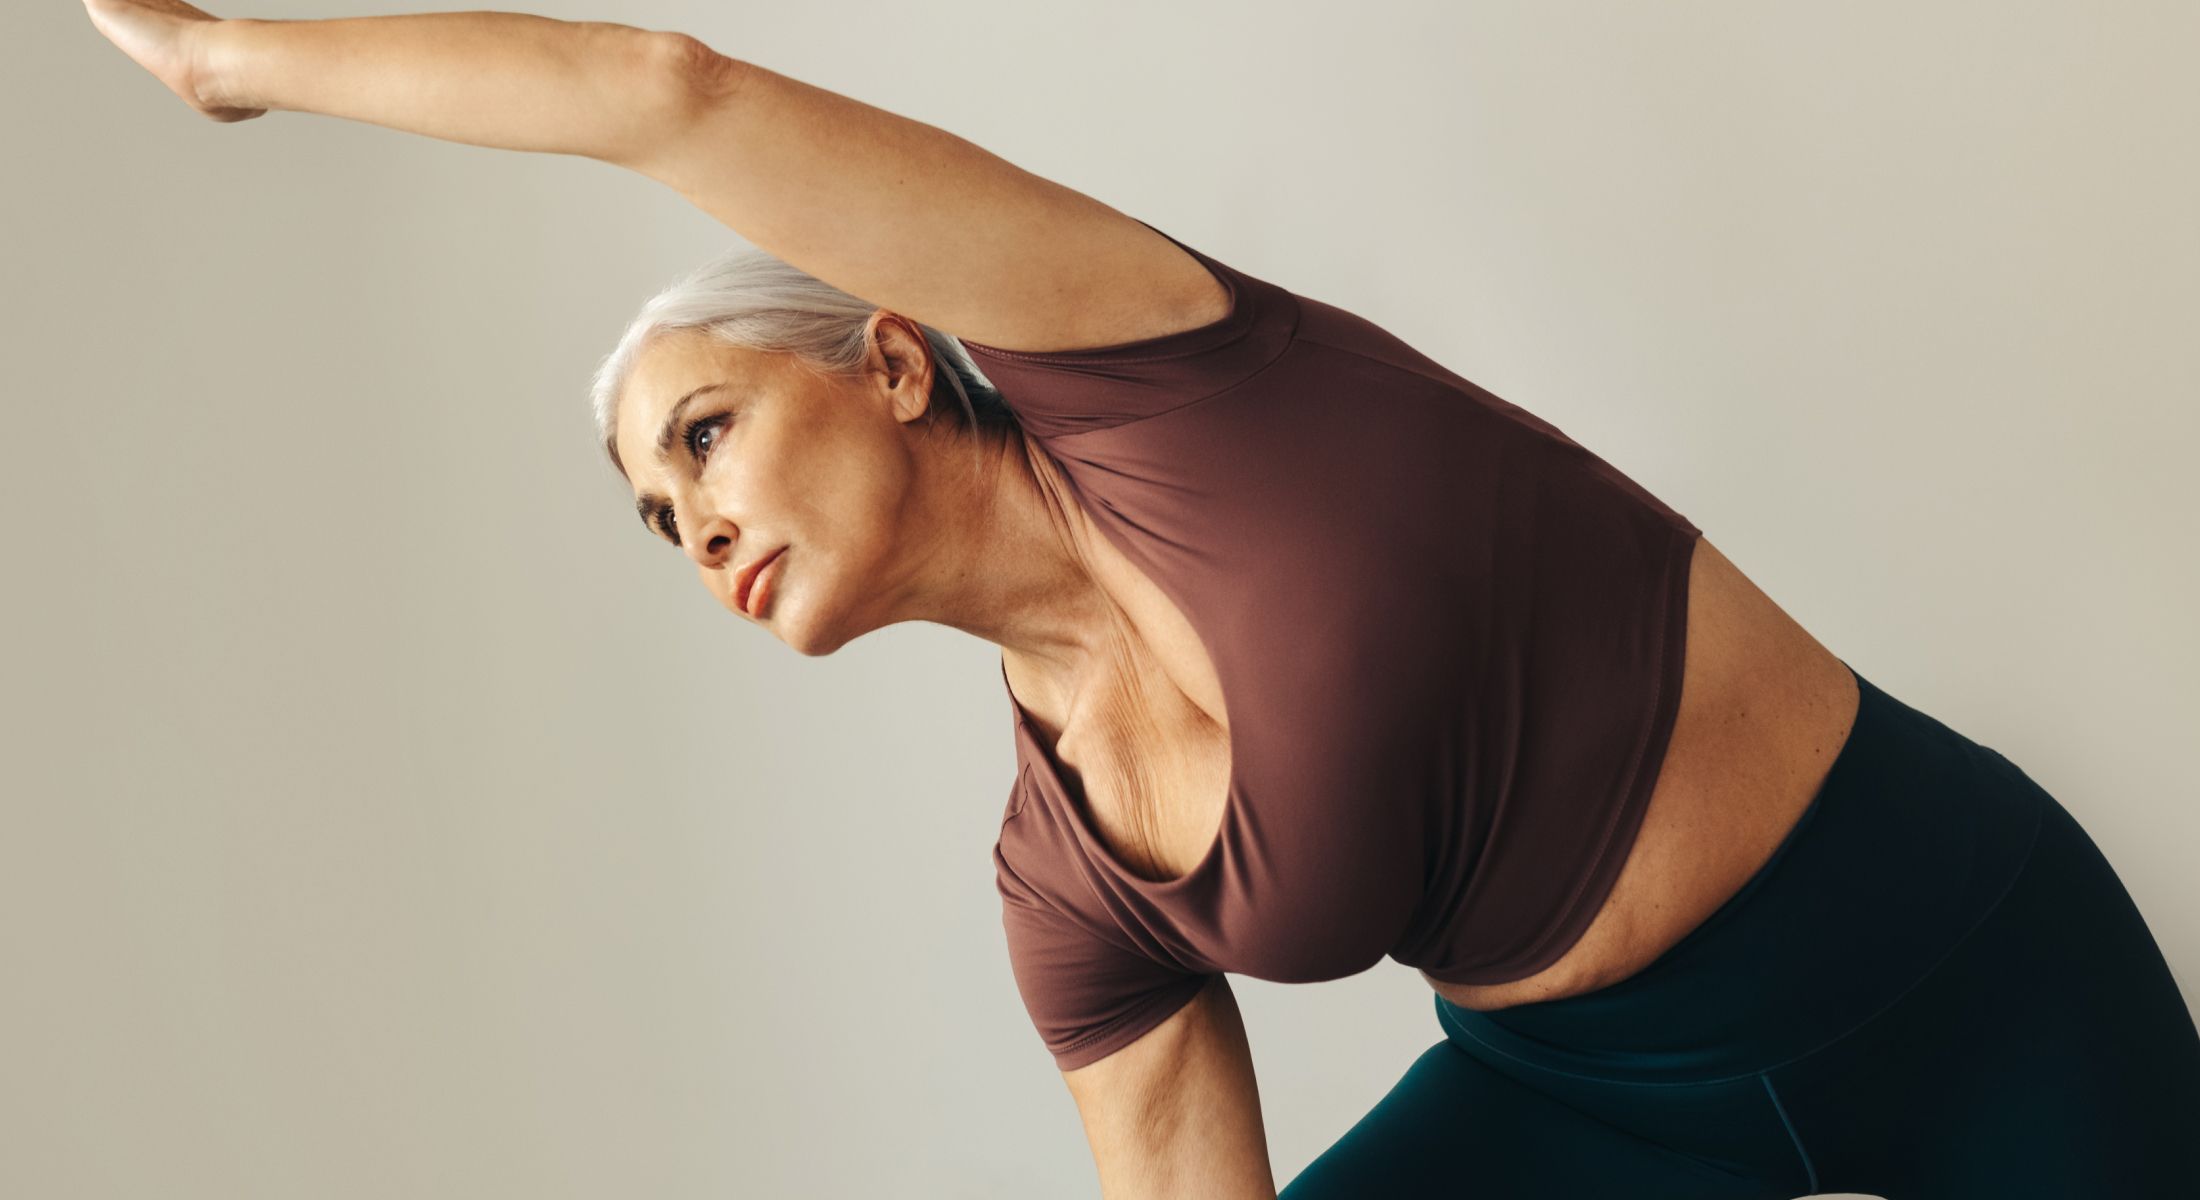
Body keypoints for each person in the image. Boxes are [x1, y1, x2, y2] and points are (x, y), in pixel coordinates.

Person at [85, 4, 2200, 1196]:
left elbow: (675, 97)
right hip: (1590, 1120)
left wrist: (231, 66)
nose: (691, 521)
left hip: (1960, 960)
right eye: (655, 512)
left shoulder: (1164, 371)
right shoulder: (1062, 894)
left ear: (891, 358)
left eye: (706, 434)